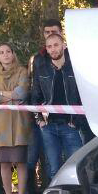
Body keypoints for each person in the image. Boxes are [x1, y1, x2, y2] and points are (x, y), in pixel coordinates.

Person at [30, 31, 84, 179]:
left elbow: (83, 98)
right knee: (54, 169)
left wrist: (76, 122)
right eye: (49, 46)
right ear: (46, 49)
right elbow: (35, 96)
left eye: (56, 45)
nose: (53, 49)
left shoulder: (75, 68)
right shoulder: (42, 70)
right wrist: (39, 120)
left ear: (64, 46)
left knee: (76, 168)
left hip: (71, 125)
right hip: (49, 126)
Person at [0, 41, 32, 194]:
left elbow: (22, 94)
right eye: (2, 52)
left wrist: (1, 94)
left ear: (13, 54)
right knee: (4, 163)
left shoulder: (22, 71)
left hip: (20, 122)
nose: (5, 55)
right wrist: (9, 96)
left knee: (20, 162)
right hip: (0, 125)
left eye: (8, 51)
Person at [24, 19, 64, 194]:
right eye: (46, 32)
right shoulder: (37, 59)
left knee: (72, 159)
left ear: (61, 34)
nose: (49, 35)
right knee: (49, 161)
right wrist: (38, 117)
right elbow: (34, 88)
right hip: (46, 120)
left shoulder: (72, 57)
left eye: (53, 32)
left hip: (72, 121)